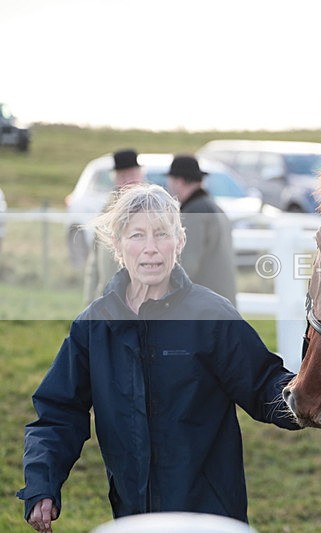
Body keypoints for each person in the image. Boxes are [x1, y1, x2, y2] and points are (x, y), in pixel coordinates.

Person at [18, 184, 299, 533]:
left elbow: (264, 386)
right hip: (134, 516)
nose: (150, 248)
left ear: (179, 242)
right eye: (137, 235)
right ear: (118, 245)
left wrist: (317, 392)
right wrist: (42, 485)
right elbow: (58, 412)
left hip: (209, 517)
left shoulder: (211, 316)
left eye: (161, 233)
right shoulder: (95, 325)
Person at [166, 154, 238, 306]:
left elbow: (186, 264)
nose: (169, 187)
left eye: (170, 181)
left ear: (179, 182)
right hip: (222, 306)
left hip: (206, 309)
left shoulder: (194, 213)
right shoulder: (215, 208)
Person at [83, 149, 145, 303]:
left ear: (140, 175)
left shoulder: (150, 208)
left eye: (131, 175)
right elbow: (94, 261)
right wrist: (89, 301)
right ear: (116, 179)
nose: (127, 181)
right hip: (107, 297)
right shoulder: (108, 209)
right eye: (122, 176)